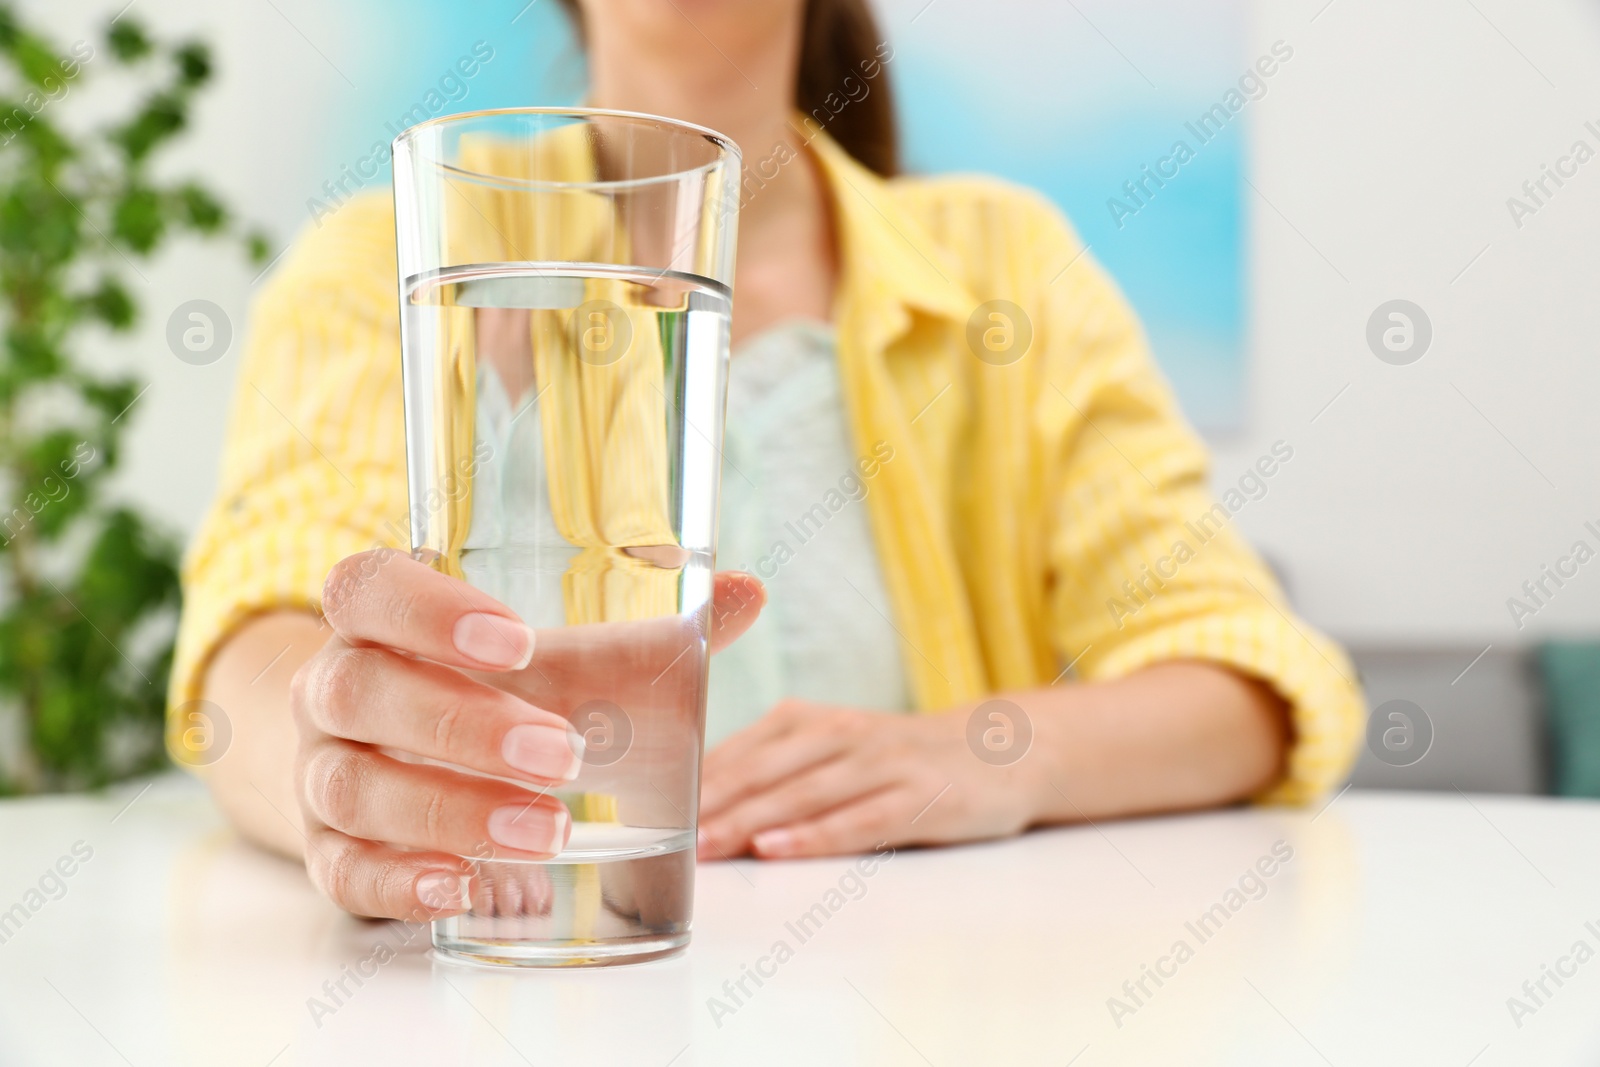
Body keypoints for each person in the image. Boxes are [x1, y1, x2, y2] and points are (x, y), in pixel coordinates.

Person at [173, 0, 1364, 921]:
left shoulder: (1010, 267)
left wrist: (979, 752)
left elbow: (1245, 675)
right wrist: (339, 761)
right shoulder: (389, 258)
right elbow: (252, 648)